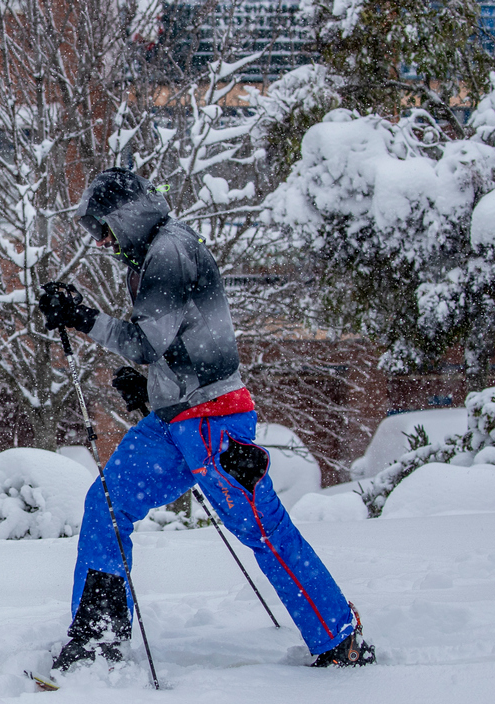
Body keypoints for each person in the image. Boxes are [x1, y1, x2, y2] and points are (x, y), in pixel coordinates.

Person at [38, 167, 375, 673]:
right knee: (107, 502)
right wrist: (152, 387)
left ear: (128, 216)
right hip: (179, 418)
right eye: (94, 233)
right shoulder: (151, 253)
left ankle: (337, 636)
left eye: (104, 227)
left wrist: (84, 318)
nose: (102, 241)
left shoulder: (169, 251)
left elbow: (146, 341)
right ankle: (96, 642)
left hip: (214, 419)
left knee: (262, 527)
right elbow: (177, 342)